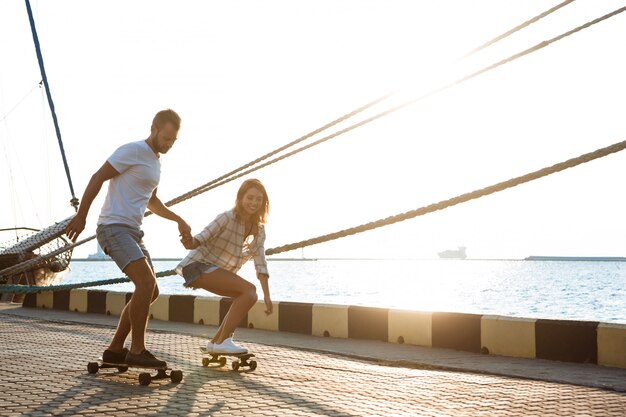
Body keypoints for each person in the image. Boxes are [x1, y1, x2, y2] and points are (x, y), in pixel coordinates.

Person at [65, 109, 191, 367]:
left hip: (133, 231)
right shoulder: (132, 151)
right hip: (112, 227)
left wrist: (178, 219)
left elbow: (152, 201)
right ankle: (137, 350)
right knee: (145, 283)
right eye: (166, 138)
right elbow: (98, 177)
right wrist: (81, 216)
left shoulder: (156, 162)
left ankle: (114, 350)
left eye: (173, 141)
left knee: (151, 290)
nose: (168, 144)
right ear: (153, 128)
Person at [177, 178, 273, 354]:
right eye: (250, 197)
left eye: (258, 199)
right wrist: (189, 242)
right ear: (241, 198)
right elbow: (201, 238)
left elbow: (260, 263)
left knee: (248, 295)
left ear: (264, 202)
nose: (254, 202)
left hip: (216, 271)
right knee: (248, 290)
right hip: (198, 266)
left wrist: (267, 296)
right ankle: (223, 341)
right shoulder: (227, 218)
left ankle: (215, 343)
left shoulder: (259, 231)